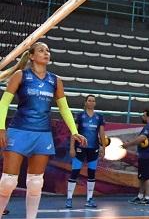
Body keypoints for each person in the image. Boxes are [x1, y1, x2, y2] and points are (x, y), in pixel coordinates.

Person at [0, 42, 86, 219]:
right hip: (19, 131)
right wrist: (0, 127)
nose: (46, 53)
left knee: (36, 183)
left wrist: (74, 131)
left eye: (48, 50)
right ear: (31, 56)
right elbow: (3, 103)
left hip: (43, 135)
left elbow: (64, 108)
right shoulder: (20, 75)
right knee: (8, 182)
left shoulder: (55, 80)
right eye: (41, 50)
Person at [65, 95, 106, 208]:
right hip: (80, 148)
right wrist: (72, 147)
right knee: (75, 172)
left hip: (94, 148)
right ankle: (69, 199)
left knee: (91, 174)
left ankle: (89, 199)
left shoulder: (99, 117)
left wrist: (103, 148)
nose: (91, 102)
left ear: (95, 103)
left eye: (93, 101)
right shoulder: (80, 116)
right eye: (89, 100)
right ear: (85, 102)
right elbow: (74, 132)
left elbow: (102, 134)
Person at [123, 109, 149, 205]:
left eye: (143, 115)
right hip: (147, 155)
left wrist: (128, 144)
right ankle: (140, 196)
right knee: (142, 177)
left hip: (148, 156)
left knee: (147, 177)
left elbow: (141, 138)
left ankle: (147, 198)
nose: (142, 117)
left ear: (148, 117)